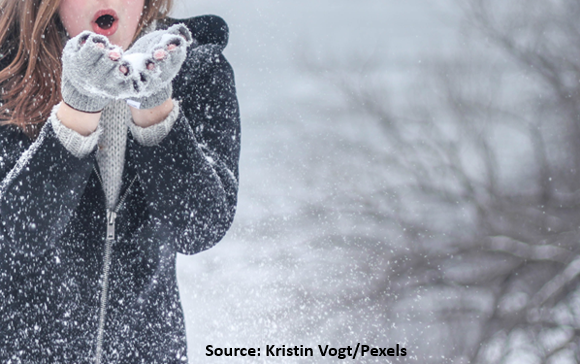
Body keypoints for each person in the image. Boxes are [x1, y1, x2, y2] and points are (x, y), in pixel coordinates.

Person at [0, 0, 240, 362]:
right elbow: (15, 233)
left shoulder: (196, 71)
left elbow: (198, 228)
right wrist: (77, 109)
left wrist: (155, 107)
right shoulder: (8, 74)